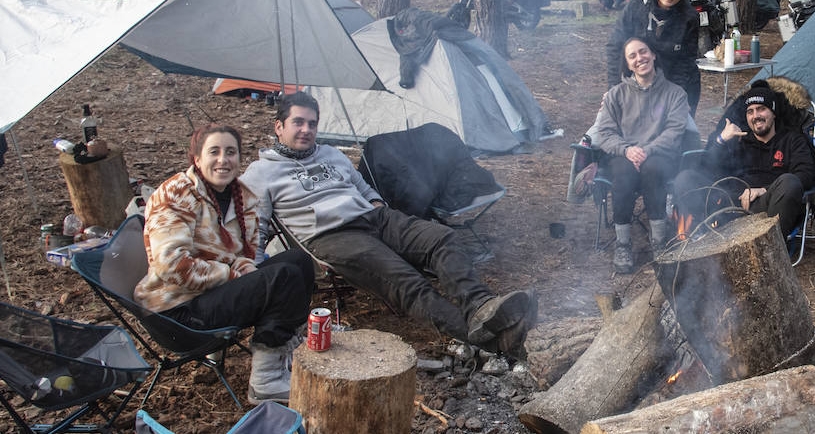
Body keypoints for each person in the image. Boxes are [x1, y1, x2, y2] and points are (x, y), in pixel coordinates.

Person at [241, 92, 533, 358]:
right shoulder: (261, 173)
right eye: (298, 122)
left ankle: (481, 307)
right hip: (331, 236)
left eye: (312, 124)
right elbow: (256, 227)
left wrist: (377, 205)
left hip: (374, 218)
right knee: (408, 283)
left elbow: (363, 187)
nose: (306, 130)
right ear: (279, 126)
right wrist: (252, 274)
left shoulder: (331, 154)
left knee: (442, 239)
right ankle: (494, 342)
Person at [135, 124, 315, 404]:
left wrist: (244, 271)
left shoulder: (242, 197)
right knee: (282, 278)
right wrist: (233, 274)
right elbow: (171, 266)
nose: (223, 160)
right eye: (214, 152)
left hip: (211, 296)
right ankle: (266, 382)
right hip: (177, 313)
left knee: (298, 261)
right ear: (197, 159)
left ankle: (283, 352)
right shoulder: (175, 195)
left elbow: (249, 254)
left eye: (231, 152)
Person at [589, 37, 692, 273]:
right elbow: (604, 133)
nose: (639, 59)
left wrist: (647, 150)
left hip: (659, 154)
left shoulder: (675, 94)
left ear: (653, 55)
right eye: (632, 56)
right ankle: (623, 244)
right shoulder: (616, 95)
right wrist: (627, 150)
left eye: (643, 52)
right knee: (623, 173)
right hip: (624, 154)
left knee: (653, 168)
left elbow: (674, 131)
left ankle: (658, 241)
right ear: (627, 64)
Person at [672, 79, 815, 240]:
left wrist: (763, 189)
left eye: (761, 109)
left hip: (766, 206)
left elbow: (806, 174)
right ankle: (707, 239)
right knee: (685, 178)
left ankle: (769, 245)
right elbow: (706, 169)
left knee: (789, 182)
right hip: (730, 205)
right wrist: (721, 140)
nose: (756, 116)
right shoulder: (738, 139)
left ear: (773, 113)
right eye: (750, 111)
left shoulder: (792, 140)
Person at [606, 0, 701, 113]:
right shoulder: (636, 7)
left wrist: (675, 97)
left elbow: (685, 61)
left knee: (676, 130)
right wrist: (615, 89)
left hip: (678, 81)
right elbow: (615, 47)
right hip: (640, 81)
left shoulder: (689, 17)